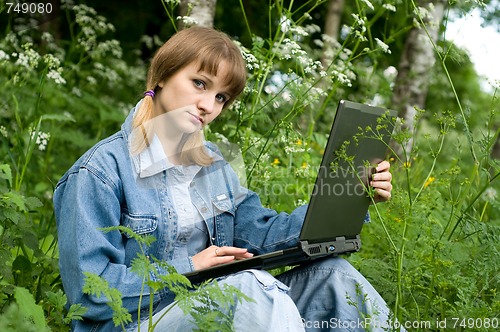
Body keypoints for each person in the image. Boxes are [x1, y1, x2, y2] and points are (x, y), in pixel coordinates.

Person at [54, 26, 398, 332]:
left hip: (211, 308)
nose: (208, 105)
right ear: (162, 75)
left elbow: (263, 236)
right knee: (250, 288)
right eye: (199, 83)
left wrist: (354, 195)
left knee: (335, 277)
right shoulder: (99, 171)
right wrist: (189, 268)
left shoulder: (213, 164)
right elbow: (91, 293)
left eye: (221, 97)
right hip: (133, 324)